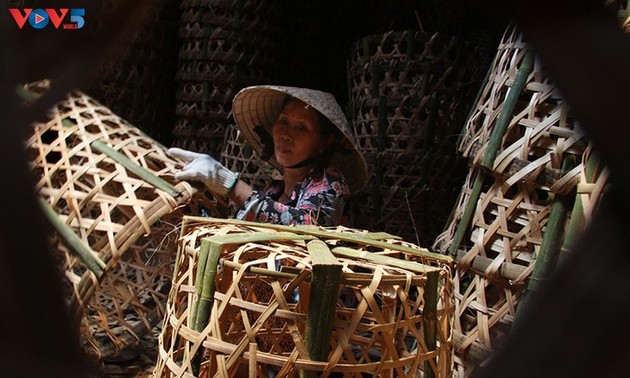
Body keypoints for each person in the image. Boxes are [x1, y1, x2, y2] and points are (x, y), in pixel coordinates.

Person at [168, 85, 368, 227]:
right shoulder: (274, 191)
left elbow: (306, 226)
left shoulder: (330, 183)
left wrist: (230, 184)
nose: (286, 135)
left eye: (301, 127)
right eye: (283, 121)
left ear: (323, 143)